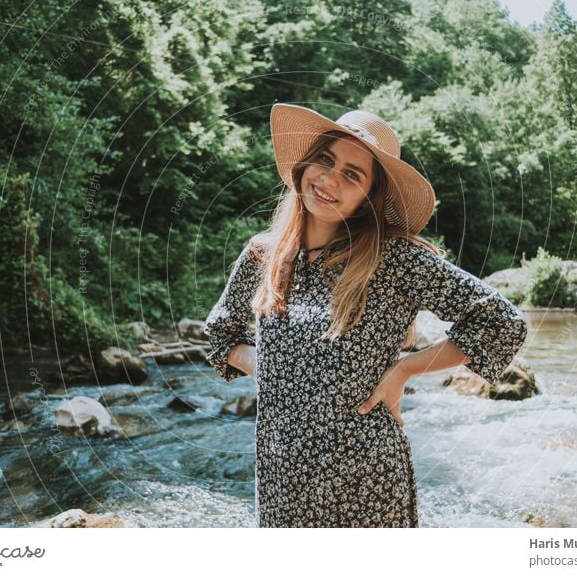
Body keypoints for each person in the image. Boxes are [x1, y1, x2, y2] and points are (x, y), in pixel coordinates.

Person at [203, 103, 529, 528]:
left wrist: (404, 370)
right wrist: (268, 367)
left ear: (366, 198)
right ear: (305, 164)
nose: (329, 179)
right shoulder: (264, 254)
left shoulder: (393, 259)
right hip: (283, 478)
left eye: (352, 174)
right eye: (325, 160)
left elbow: (502, 324)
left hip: (367, 482)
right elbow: (219, 336)